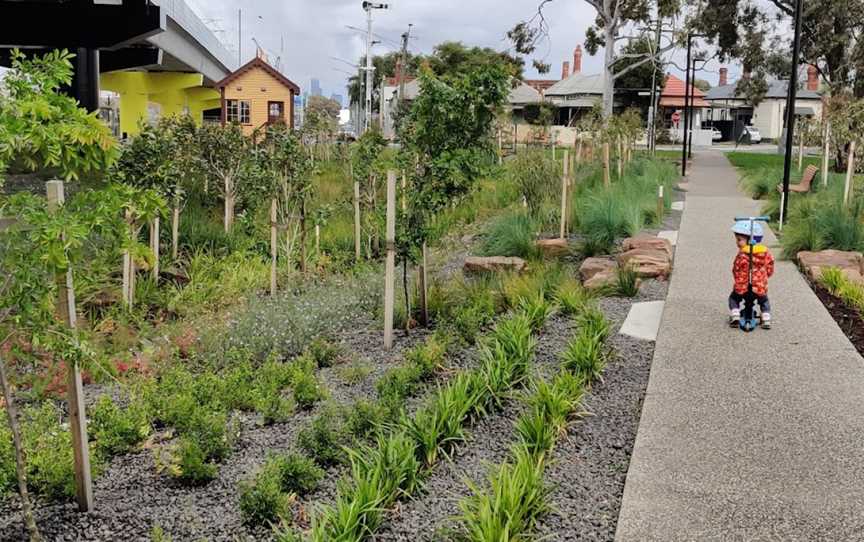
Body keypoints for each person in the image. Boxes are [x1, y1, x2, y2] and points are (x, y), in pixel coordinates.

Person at [729, 220, 775, 329]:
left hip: (742, 285)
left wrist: (738, 278)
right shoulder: (765, 253)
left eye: (739, 240)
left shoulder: (742, 254)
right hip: (759, 285)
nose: (737, 242)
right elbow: (770, 265)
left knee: (733, 298)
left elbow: (736, 268)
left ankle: (735, 314)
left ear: (750, 240)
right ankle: (766, 317)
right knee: (763, 300)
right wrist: (765, 276)